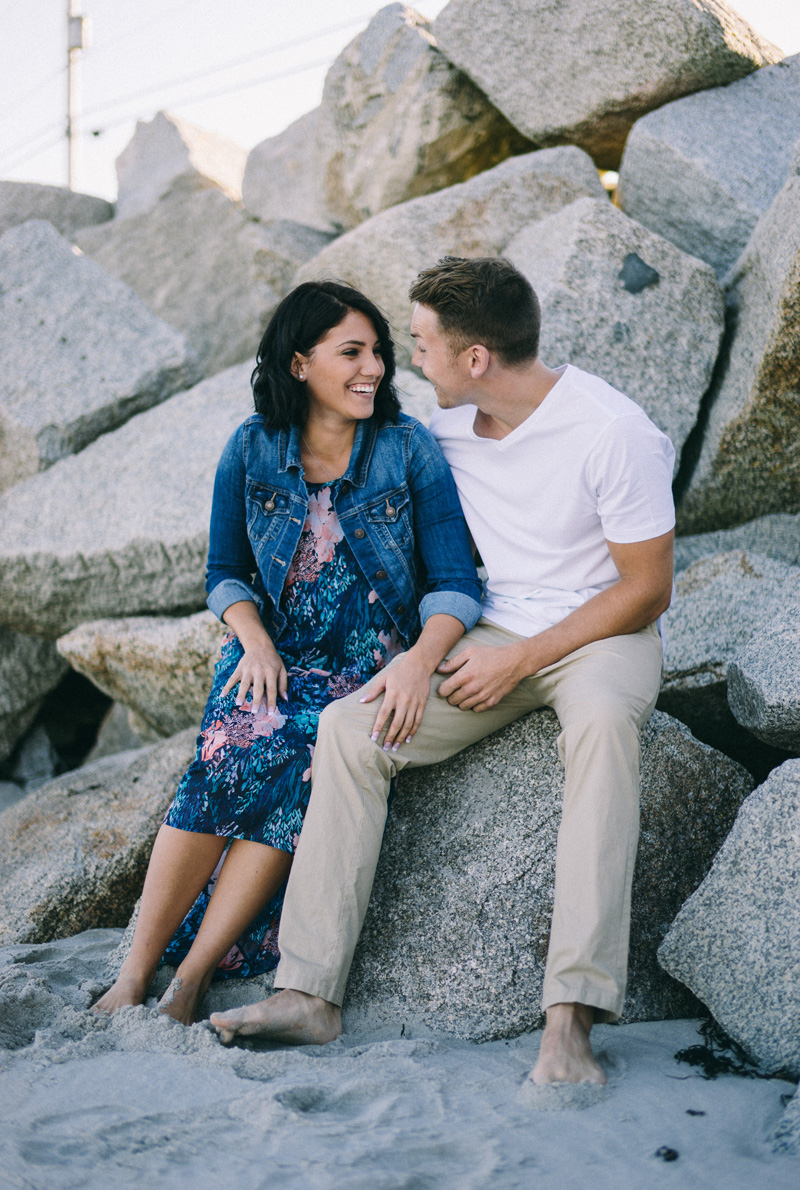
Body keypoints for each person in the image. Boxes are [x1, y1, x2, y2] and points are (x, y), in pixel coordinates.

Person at [209, 257, 676, 1086]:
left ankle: (569, 1017)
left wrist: (522, 661)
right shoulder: (444, 430)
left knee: (604, 733)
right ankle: (309, 992)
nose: (404, 364)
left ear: (476, 359)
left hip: (600, 637)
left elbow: (647, 590)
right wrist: (430, 657)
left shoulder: (614, 432)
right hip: (488, 628)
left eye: (420, 345)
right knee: (353, 729)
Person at [92, 280, 482, 1025]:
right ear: (299, 363)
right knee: (234, 746)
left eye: (378, 352)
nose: (374, 368)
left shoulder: (407, 451)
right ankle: (136, 972)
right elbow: (224, 573)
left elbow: (457, 585)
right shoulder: (251, 447)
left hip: (365, 670)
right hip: (272, 655)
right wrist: (257, 642)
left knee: (302, 751)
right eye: (351, 352)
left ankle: (193, 977)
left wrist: (417, 661)